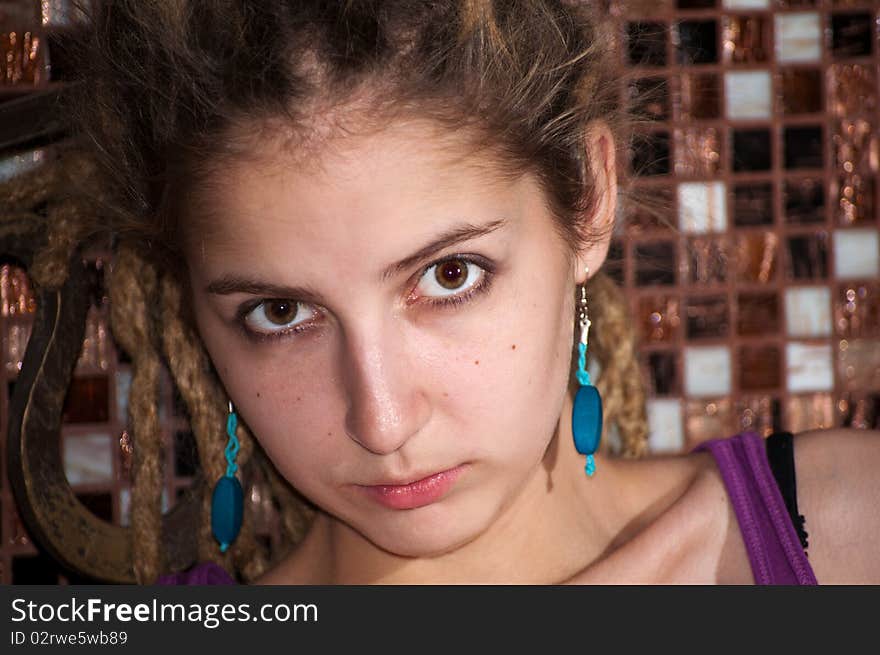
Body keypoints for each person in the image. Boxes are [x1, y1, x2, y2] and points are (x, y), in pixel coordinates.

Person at [71, 0, 879, 585]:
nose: (383, 422)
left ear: (591, 201)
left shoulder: (849, 537)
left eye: (449, 275)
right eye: (280, 313)